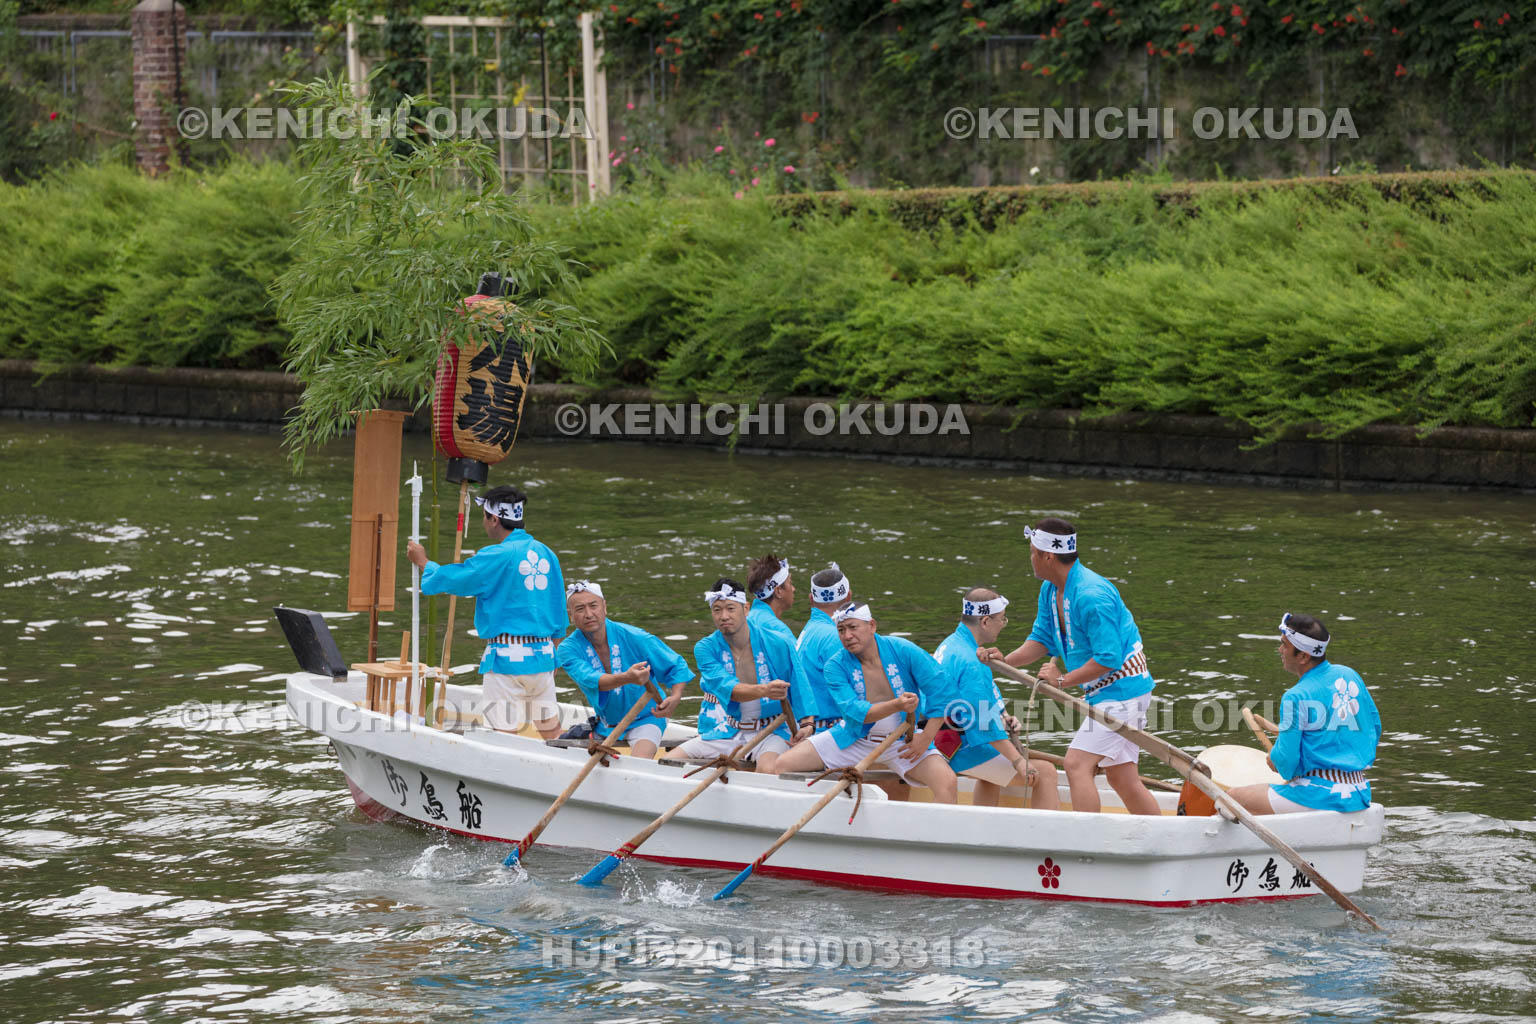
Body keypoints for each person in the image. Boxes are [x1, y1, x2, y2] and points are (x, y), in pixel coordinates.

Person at [986, 517, 1161, 815]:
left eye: (1032, 553)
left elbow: (1109, 658)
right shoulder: (1050, 588)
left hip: (1124, 692)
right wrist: (1004, 662)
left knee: (1076, 765)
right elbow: (1041, 640)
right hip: (1105, 692)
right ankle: (1162, 838)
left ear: (1047, 556)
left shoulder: (1093, 596)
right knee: (1122, 778)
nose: (1030, 559)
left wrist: (1061, 680)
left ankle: (1087, 843)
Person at [406, 485, 566, 739]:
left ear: (494, 519)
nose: (483, 522)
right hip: (544, 657)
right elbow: (559, 613)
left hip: (507, 659)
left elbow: (460, 578)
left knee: (503, 736)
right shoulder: (547, 553)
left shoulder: (497, 554)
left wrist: (424, 562)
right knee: (553, 732)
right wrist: (552, 655)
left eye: (484, 516)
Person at [774, 602, 960, 803]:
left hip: (901, 741)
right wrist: (897, 705)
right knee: (782, 765)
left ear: (872, 625)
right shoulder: (835, 665)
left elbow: (942, 688)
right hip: (854, 738)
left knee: (947, 782)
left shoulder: (902, 649)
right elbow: (855, 712)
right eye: (841, 630)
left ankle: (929, 835)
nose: (847, 636)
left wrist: (925, 738)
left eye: (853, 627)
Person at [1228, 613, 1382, 815]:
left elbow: (1286, 764)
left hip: (1318, 795)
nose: (1280, 650)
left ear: (1303, 656)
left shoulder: (1295, 696)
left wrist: (1274, 759)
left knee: (1228, 798)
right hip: (1358, 792)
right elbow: (1374, 728)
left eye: (1284, 645)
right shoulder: (1349, 674)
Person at [935, 588, 1060, 809]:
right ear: (985, 621)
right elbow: (983, 724)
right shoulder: (972, 662)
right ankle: (1045, 840)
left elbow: (980, 703)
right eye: (1002, 619)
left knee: (993, 769)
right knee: (1046, 773)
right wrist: (1018, 761)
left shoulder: (951, 644)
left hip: (940, 739)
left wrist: (1003, 715)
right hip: (956, 748)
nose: (1003, 624)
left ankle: (983, 829)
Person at [672, 577, 812, 773]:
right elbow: (730, 690)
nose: (723, 616)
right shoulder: (705, 648)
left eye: (730, 608)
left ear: (746, 609)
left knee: (767, 769)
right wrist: (765, 690)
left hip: (773, 730)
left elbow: (800, 685)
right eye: (717, 609)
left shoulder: (778, 642)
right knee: (669, 761)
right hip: (730, 729)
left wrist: (808, 723)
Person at [555, 580, 693, 760]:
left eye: (593, 606)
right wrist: (628, 677)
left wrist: (675, 697)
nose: (589, 614)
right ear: (570, 615)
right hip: (606, 724)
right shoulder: (567, 649)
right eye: (580, 609)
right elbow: (592, 680)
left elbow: (676, 665)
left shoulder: (635, 636)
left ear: (604, 607)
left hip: (647, 717)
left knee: (639, 763)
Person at [794, 564, 854, 737]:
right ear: (849, 596)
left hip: (808, 726)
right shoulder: (836, 636)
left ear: (811, 599)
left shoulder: (809, 630)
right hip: (827, 731)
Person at [746, 553, 798, 646]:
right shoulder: (781, 632)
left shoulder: (745, 621)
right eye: (790, 583)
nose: (794, 589)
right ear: (778, 591)